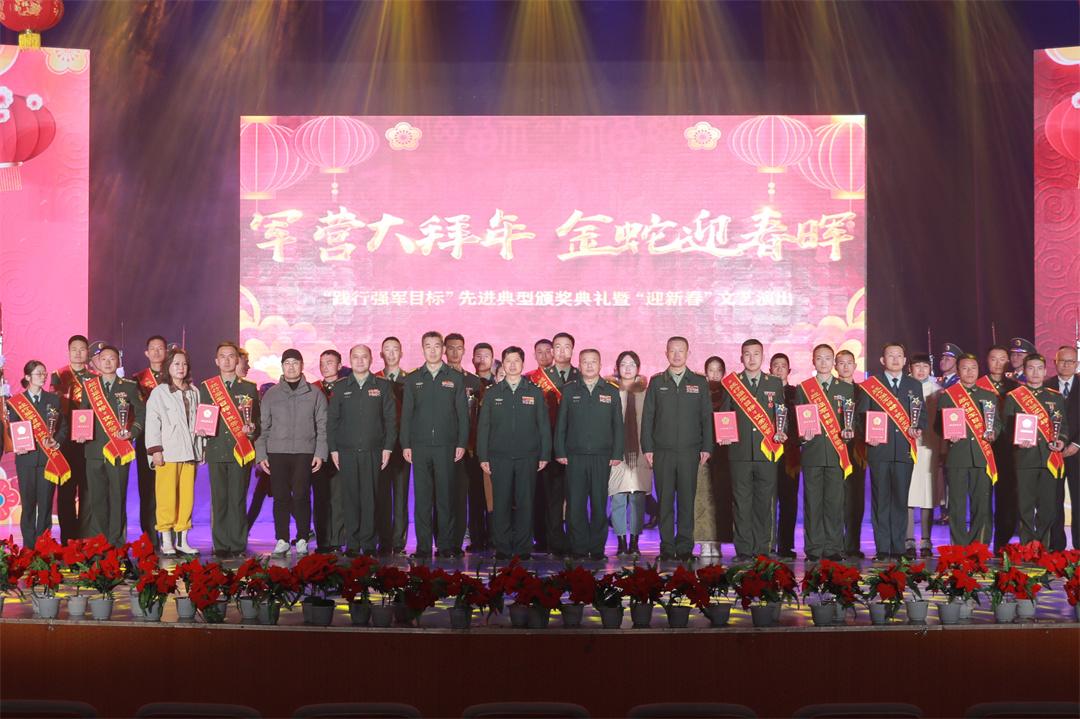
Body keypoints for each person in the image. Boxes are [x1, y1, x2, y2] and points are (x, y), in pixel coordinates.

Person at [856, 342, 928, 561]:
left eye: (899, 356)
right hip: (879, 451)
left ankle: (898, 548)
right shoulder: (871, 385)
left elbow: (922, 414)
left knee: (900, 500)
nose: (895, 359)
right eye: (890, 355)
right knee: (881, 500)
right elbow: (861, 417)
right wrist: (868, 436)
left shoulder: (914, 385)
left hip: (904, 450)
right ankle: (882, 548)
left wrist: (918, 427)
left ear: (905, 360)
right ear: (882, 360)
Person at [477, 346, 550, 560]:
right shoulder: (493, 393)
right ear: (503, 364)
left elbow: (543, 426)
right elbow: (484, 427)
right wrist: (483, 456)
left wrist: (545, 454)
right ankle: (502, 546)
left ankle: (523, 547)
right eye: (508, 361)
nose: (512, 365)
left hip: (528, 456)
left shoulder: (534, 392)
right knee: (501, 502)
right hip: (499, 457)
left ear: (522, 364)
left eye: (516, 360)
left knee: (525, 503)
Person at [643, 336, 713, 561]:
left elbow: (706, 417)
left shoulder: (699, 382)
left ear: (688, 353)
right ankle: (666, 546)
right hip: (662, 452)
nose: (676, 355)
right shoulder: (657, 382)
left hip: (689, 452)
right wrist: (648, 447)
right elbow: (648, 417)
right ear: (666, 353)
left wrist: (707, 446)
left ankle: (684, 547)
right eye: (672, 350)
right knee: (664, 501)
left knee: (686, 500)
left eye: (680, 350)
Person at [401, 331, 469, 559]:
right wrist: (406, 444)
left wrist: (461, 443)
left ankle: (445, 545)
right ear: (423, 349)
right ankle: (422, 547)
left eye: (436, 346)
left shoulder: (455, 378)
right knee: (422, 499)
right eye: (428, 346)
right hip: (419, 446)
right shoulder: (413, 379)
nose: (432, 350)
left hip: (446, 446)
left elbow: (462, 415)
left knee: (445, 498)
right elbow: (406, 415)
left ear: (443, 349)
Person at [719, 339, 787, 560]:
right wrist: (723, 434)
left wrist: (782, 431)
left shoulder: (774, 383)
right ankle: (744, 549)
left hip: (767, 452)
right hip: (739, 453)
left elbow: (781, 413)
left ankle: (762, 548)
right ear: (741, 358)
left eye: (756, 354)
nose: (751, 358)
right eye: (747, 354)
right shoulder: (732, 383)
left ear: (762, 357)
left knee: (764, 502)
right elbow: (725, 414)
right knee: (741, 502)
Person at [255, 349, 327, 556]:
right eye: (287, 363)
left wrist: (320, 453)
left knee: (302, 495)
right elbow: (263, 427)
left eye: (295, 363)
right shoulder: (271, 394)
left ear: (302, 365)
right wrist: (262, 454)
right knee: (280, 497)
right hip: (277, 452)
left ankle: (303, 538)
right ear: (282, 366)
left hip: (304, 452)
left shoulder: (315, 394)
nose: (291, 367)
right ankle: (282, 539)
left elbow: (322, 426)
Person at [327, 345, 397, 556]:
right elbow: (332, 421)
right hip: (346, 452)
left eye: (364, 357)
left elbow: (390, 420)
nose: (359, 361)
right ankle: (352, 543)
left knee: (370, 498)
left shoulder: (382, 386)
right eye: (355, 357)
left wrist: (388, 448)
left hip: (373, 451)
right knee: (349, 499)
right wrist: (333, 449)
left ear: (371, 359)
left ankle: (368, 544)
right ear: (350, 360)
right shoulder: (340, 387)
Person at [555, 349, 624, 561]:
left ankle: (596, 548)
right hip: (574, 456)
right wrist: (560, 451)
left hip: (602, 456)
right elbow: (561, 424)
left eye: (593, 361)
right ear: (579, 364)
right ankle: (578, 547)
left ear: (600, 364)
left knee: (599, 504)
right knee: (575, 504)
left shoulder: (611, 391)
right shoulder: (569, 390)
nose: (589, 365)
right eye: (585, 361)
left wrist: (617, 452)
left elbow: (617, 425)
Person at [77, 345, 146, 547]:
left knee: (117, 496)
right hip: (94, 450)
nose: (108, 362)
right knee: (96, 499)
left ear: (118, 362)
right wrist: (80, 433)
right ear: (97, 362)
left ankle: (116, 543)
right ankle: (99, 542)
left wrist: (132, 432)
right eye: (104, 359)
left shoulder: (129, 386)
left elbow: (141, 413)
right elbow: (83, 414)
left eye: (112, 359)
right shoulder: (89, 386)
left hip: (119, 449)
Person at [199, 341, 260, 558]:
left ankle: (237, 543)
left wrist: (251, 430)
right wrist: (201, 432)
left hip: (240, 450)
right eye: (222, 356)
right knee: (219, 500)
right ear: (216, 361)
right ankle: (221, 545)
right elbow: (202, 418)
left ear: (237, 360)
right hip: (216, 450)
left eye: (231, 356)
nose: (226, 360)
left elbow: (257, 421)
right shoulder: (207, 387)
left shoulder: (249, 388)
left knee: (238, 499)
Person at [794, 345, 855, 562]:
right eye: (819, 358)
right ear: (813, 361)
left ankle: (833, 547)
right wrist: (802, 436)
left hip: (837, 454)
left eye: (828, 358)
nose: (823, 362)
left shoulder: (846, 389)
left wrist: (849, 433)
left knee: (834, 504)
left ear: (833, 363)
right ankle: (813, 548)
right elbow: (796, 421)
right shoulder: (804, 388)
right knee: (813, 503)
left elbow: (852, 422)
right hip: (812, 454)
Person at [935, 353, 1003, 546]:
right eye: (965, 368)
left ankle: (978, 546)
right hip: (957, 456)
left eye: (973, 368)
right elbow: (937, 426)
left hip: (982, 456)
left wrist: (994, 433)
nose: (970, 372)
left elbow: (997, 424)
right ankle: (958, 546)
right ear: (958, 371)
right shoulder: (948, 395)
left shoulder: (989, 396)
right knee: (956, 505)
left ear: (978, 370)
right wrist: (948, 433)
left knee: (981, 504)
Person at [1004, 353, 1069, 546]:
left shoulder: (1055, 397)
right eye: (1031, 368)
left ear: (1045, 371)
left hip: (1049, 458)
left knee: (1048, 507)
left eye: (1039, 368)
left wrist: (1061, 441)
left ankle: (1041, 546)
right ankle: (1026, 546)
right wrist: (1016, 440)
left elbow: (1063, 426)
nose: (1035, 372)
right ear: (1024, 371)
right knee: (1025, 506)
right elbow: (1006, 429)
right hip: (1025, 458)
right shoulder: (1014, 397)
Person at [144, 347, 202, 556]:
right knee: (166, 497)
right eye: (176, 364)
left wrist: (201, 448)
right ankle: (166, 541)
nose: (181, 367)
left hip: (190, 453)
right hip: (168, 453)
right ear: (168, 367)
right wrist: (155, 450)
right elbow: (152, 423)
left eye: (184, 364)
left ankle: (182, 540)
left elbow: (198, 422)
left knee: (187, 498)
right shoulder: (159, 392)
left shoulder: (194, 391)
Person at [526, 332, 580, 558]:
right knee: (553, 499)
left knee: (576, 497)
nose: (561, 351)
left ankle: (577, 540)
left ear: (573, 350)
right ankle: (555, 541)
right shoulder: (537, 379)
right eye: (557, 347)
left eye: (566, 347)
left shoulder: (582, 375)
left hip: (577, 446)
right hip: (549, 447)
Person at [7, 360, 68, 548]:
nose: (43, 377)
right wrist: (17, 444)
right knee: (28, 505)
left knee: (45, 505)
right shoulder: (16, 402)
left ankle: (43, 546)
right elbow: (11, 429)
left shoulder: (53, 400)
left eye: (44, 373)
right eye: (38, 373)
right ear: (27, 377)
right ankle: (28, 547)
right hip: (26, 460)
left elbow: (63, 427)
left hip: (48, 459)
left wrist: (57, 441)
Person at [49, 334, 95, 542]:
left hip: (89, 440)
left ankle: (86, 536)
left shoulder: (95, 377)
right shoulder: (59, 375)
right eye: (74, 349)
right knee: (66, 489)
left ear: (87, 352)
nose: (78, 353)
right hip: (66, 440)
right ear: (68, 352)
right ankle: (68, 538)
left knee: (87, 489)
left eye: (82, 349)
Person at [444, 332, 485, 553]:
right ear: (444, 350)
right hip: (444, 445)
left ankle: (469, 539)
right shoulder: (438, 377)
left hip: (469, 447)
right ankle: (444, 540)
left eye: (459, 348)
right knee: (444, 495)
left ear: (464, 350)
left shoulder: (473, 381)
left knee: (469, 495)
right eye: (450, 347)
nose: (454, 352)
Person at [609, 351, 651, 559]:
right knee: (618, 498)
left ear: (638, 368)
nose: (627, 368)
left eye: (632, 364)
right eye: (623, 364)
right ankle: (620, 541)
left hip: (641, 451)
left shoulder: (646, 392)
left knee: (637, 499)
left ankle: (634, 541)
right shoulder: (609, 391)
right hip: (616, 451)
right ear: (617, 367)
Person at [980, 344, 1021, 550]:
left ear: (1008, 361)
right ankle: (980, 542)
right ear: (987, 361)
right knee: (982, 496)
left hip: (1008, 449)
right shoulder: (977, 385)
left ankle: (1002, 542)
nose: (998, 363)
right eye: (993, 358)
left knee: (1006, 496)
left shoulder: (1016, 388)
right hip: (983, 447)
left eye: (1002, 359)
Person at [133, 335, 168, 549]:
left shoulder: (174, 375)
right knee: (147, 488)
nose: (156, 352)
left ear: (166, 351)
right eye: (152, 348)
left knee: (167, 488)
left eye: (160, 348)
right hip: (146, 438)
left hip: (170, 439)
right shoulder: (137, 379)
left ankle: (168, 534)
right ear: (146, 353)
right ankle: (149, 535)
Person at [375, 336, 409, 555]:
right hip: (379, 445)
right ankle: (383, 538)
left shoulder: (410, 380)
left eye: (395, 349)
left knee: (401, 494)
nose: (391, 353)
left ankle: (398, 540)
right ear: (381, 354)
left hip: (403, 445)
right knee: (381, 494)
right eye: (387, 349)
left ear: (401, 353)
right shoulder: (373, 380)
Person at [694, 356, 731, 559]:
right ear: (705, 372)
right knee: (701, 496)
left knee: (720, 497)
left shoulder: (730, 393)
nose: (715, 374)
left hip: (724, 453)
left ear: (723, 373)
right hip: (701, 450)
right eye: (711, 370)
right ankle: (703, 541)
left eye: (718, 370)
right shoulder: (698, 392)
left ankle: (717, 541)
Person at [906, 353, 942, 558]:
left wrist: (943, 450)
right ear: (909, 368)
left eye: (925, 366)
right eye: (917, 366)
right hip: (909, 447)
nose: (921, 370)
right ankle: (908, 539)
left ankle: (926, 540)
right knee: (909, 493)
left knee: (928, 494)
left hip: (930, 448)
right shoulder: (903, 388)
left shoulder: (938, 391)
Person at [835, 349, 867, 559]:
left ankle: (853, 545)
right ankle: (835, 544)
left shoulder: (862, 391)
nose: (845, 367)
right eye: (841, 363)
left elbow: (868, 419)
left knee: (856, 498)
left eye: (849, 363)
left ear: (855, 366)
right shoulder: (828, 390)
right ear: (835, 366)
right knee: (835, 498)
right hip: (835, 449)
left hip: (857, 451)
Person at [311, 349, 343, 553]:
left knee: (339, 496)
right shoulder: (313, 389)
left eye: (330, 362)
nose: (325, 366)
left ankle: (337, 539)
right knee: (320, 496)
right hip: (319, 449)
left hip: (341, 448)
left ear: (339, 365)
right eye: (322, 363)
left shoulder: (347, 387)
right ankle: (323, 540)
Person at [770, 352, 800, 560]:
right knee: (766, 501)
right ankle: (767, 543)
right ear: (770, 370)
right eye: (776, 365)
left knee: (789, 501)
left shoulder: (796, 393)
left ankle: (786, 545)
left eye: (783, 366)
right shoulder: (764, 393)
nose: (779, 369)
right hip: (768, 453)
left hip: (790, 455)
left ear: (789, 370)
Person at [1050, 346, 1079, 551]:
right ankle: (1056, 547)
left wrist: (1076, 443)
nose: (1067, 365)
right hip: (1052, 453)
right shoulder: (1046, 386)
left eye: (1071, 361)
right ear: (1055, 362)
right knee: (1053, 501)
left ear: (1077, 364)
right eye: (1062, 361)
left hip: (1078, 452)